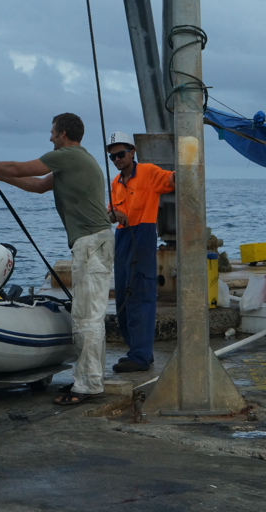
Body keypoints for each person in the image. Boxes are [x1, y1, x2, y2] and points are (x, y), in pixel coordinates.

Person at [0, 113, 114, 405]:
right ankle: (88, 378)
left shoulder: (67, 156)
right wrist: (0, 177)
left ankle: (88, 385)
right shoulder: (75, 161)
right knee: (89, 315)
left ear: (63, 134)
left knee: (87, 318)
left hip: (91, 243)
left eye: (52, 132)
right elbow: (37, 186)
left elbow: (19, 167)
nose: (49, 137)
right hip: (94, 242)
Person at [106, 131, 175, 372]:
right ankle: (139, 350)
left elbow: (171, 179)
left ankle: (140, 356)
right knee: (123, 297)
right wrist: (115, 214)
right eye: (112, 156)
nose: (117, 159)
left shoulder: (148, 172)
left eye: (121, 154)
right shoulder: (115, 182)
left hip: (143, 236)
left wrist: (186, 167)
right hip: (122, 238)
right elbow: (109, 212)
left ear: (132, 151)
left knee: (140, 294)